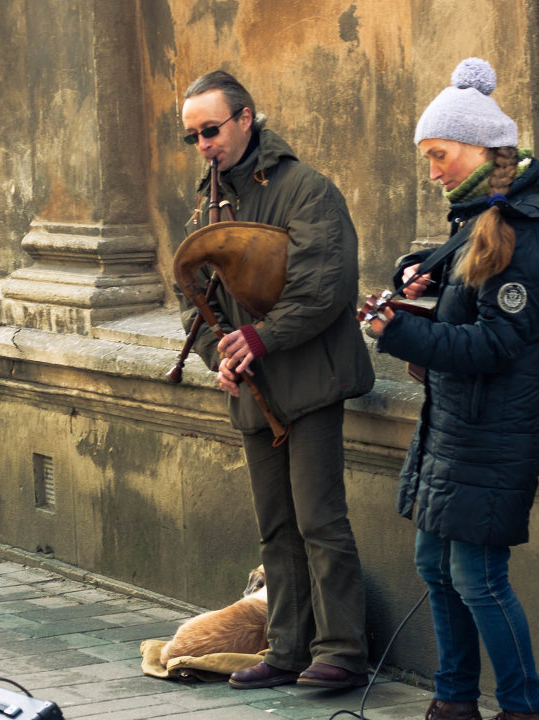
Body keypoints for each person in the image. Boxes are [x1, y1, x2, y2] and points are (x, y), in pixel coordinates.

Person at [366, 58, 539, 720]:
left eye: (439, 155)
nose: (431, 170)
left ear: (476, 149)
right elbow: (470, 314)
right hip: (455, 427)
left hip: (494, 435)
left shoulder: (528, 235)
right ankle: (454, 701)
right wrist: (422, 288)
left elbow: (496, 345)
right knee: (435, 567)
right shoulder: (477, 222)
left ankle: (524, 708)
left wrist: (396, 333)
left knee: (479, 580)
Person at [178, 70, 374, 690]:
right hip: (254, 390)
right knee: (277, 527)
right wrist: (221, 356)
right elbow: (194, 297)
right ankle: (288, 647)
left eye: (212, 130)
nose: (205, 144)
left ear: (245, 118)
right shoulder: (208, 203)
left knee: (320, 520)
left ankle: (341, 650)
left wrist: (257, 339)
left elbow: (325, 287)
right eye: (193, 137)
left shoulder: (308, 190)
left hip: (310, 381)